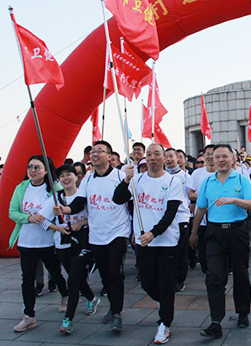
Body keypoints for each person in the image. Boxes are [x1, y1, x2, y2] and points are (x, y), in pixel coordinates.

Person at [56, 141, 130, 333]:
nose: (95, 154)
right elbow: (80, 202)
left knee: (114, 273)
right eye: (93, 152)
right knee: (105, 275)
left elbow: (127, 201)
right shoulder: (88, 179)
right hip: (96, 235)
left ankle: (117, 313)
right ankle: (113, 307)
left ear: (109, 156)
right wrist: (66, 209)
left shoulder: (120, 176)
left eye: (99, 151)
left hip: (118, 232)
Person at [114, 144, 184, 344]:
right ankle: (165, 303)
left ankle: (165, 323)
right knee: (147, 282)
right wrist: (125, 180)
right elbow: (118, 199)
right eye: (149, 154)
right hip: (144, 243)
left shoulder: (173, 181)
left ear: (164, 157)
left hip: (166, 241)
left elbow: (170, 213)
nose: (152, 158)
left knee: (166, 283)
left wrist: (153, 233)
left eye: (157, 154)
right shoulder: (137, 180)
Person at [190, 144, 251, 339]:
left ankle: (243, 312)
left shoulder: (242, 179)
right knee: (214, 276)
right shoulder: (207, 182)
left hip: (237, 232)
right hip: (214, 233)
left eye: (224, 156)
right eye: (217, 157)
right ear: (212, 160)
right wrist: (194, 233)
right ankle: (215, 321)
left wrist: (234, 200)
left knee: (241, 273)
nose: (220, 160)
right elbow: (200, 209)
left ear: (233, 159)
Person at [9, 156, 69, 332]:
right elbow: (12, 212)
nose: (32, 171)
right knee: (27, 279)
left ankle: (65, 295)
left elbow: (65, 208)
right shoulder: (21, 188)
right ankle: (29, 315)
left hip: (48, 242)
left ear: (46, 170)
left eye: (37, 167)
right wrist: (28, 218)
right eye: (30, 167)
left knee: (55, 272)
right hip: (26, 241)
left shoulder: (55, 188)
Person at [48, 165, 99, 334]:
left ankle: (68, 319)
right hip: (62, 244)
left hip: (83, 243)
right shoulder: (55, 198)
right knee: (75, 277)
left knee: (73, 280)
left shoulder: (84, 196)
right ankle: (91, 298)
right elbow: (42, 219)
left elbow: (97, 216)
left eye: (68, 174)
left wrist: (82, 222)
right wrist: (58, 228)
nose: (66, 178)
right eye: (61, 176)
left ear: (76, 177)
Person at [165, 148, 192, 291]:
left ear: (177, 158)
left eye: (171, 156)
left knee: (181, 250)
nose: (169, 159)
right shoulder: (161, 176)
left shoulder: (185, 176)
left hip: (181, 217)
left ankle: (180, 279)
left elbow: (191, 195)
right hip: (165, 219)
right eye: (166, 157)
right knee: (168, 251)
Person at [187, 144, 216, 274]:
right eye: (207, 154)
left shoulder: (223, 172)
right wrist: (204, 196)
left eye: (213, 154)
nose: (210, 156)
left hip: (218, 221)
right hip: (202, 221)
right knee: (203, 254)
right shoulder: (197, 173)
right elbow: (190, 194)